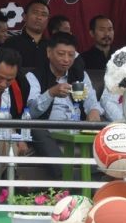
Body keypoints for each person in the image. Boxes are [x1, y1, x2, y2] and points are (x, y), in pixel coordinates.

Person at [25, 32, 104, 177]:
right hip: (48, 131)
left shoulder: (80, 75)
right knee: (36, 129)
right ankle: (67, 178)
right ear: (49, 52)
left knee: (105, 129)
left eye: (71, 55)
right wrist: (51, 93)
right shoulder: (34, 76)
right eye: (61, 54)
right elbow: (30, 111)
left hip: (76, 129)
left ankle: (96, 175)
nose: (66, 60)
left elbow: (91, 100)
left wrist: (94, 110)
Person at [1, 0, 50, 69]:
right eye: (35, 13)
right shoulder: (11, 43)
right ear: (24, 16)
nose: (39, 17)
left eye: (43, 14)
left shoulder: (52, 46)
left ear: (48, 20)